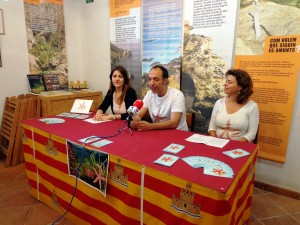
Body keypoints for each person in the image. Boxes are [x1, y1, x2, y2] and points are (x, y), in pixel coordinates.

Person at [208, 69, 259, 142]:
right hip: (217, 144)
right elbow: (212, 128)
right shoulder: (219, 103)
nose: (225, 84)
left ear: (240, 87)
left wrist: (234, 145)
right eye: (226, 81)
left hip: (237, 148)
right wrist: (215, 141)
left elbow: (251, 133)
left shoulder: (252, 106)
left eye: (229, 82)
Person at [131, 65, 188, 131]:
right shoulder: (149, 94)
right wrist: (135, 120)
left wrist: (150, 126)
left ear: (165, 81)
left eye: (156, 79)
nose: (151, 83)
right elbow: (139, 114)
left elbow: (174, 123)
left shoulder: (177, 95)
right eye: (150, 79)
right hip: (158, 134)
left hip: (178, 135)